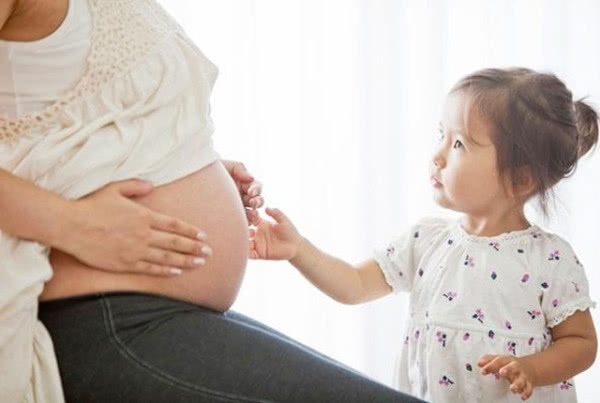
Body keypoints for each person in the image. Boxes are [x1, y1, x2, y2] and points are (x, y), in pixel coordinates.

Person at [0, 0, 426, 402]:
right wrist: (74, 224)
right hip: (107, 319)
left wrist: (177, 160)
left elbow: (76, 123)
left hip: (149, 315)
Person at [249, 68, 599, 402]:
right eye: (441, 136)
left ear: (520, 179)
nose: (437, 156)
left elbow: (581, 342)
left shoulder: (549, 259)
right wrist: (298, 249)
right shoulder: (426, 241)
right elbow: (354, 284)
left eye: (459, 144)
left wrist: (533, 368)